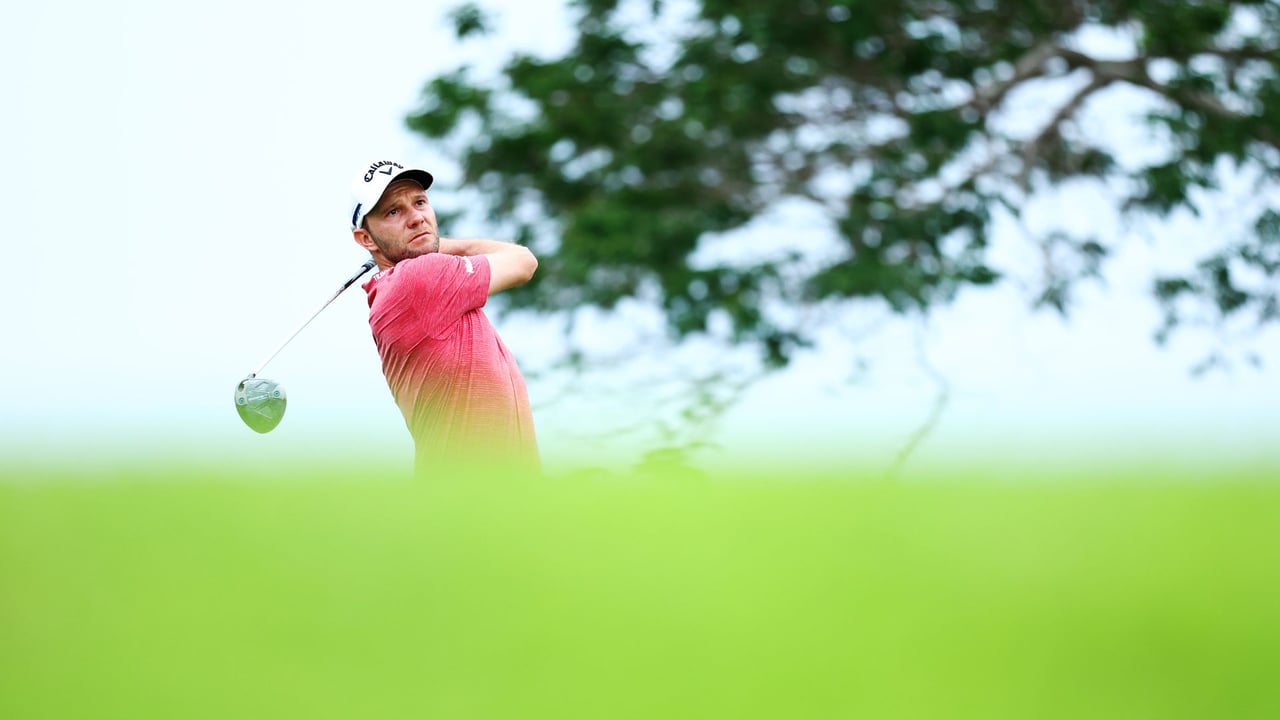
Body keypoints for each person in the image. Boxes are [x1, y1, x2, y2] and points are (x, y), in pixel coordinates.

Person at [348, 159, 540, 477]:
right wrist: (438, 245)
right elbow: (524, 261)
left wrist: (427, 244)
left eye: (420, 202)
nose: (416, 218)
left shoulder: (404, 287)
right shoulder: (417, 278)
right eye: (393, 212)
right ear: (366, 239)